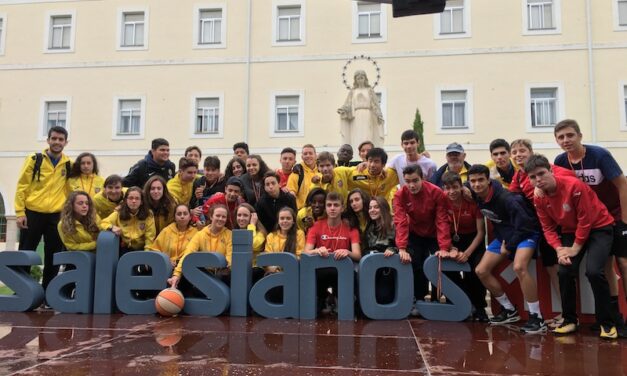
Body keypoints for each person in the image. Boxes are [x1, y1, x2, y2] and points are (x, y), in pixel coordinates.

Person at [525, 154, 620, 339]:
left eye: (541, 174)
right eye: (533, 177)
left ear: (551, 171)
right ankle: (570, 320)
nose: (538, 180)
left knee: (594, 272)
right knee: (565, 271)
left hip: (599, 227)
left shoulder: (573, 186)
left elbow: (586, 220)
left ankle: (607, 323)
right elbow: (548, 227)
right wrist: (559, 249)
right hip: (571, 230)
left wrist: (575, 248)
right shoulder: (539, 197)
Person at [553, 119, 627, 326]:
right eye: (561, 137)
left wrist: (624, 221)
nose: (566, 140)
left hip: (612, 216)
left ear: (580, 136)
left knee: (620, 264)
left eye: (570, 135)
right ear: (557, 141)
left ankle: (618, 316)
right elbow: (555, 187)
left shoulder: (599, 155)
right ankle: (605, 317)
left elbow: (622, 184)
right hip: (585, 221)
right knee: (598, 267)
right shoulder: (560, 161)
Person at [467, 164, 545, 334]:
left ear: (489, 180)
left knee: (519, 267)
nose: (477, 184)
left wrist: (509, 247)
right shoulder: (477, 196)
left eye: (481, 180)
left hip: (526, 233)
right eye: (473, 181)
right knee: (481, 270)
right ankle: (509, 310)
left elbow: (526, 225)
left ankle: (537, 317)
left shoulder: (508, 198)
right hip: (504, 237)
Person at [509, 139, 573, 325]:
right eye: (514, 152)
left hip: (558, 224)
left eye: (522, 150)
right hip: (541, 227)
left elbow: (570, 178)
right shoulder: (519, 175)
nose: (518, 154)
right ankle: (564, 313)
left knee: (560, 270)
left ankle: (568, 316)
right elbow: (510, 196)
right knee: (552, 269)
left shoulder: (548, 169)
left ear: (531, 152)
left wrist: (541, 184)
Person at [15, 125, 71, 290]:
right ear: (48, 140)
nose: (57, 142)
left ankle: (49, 293)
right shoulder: (34, 159)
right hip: (32, 213)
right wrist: (19, 212)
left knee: (53, 256)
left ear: (65, 142)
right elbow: (22, 186)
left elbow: (70, 191)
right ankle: (21, 290)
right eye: (54, 138)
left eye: (60, 139)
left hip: (56, 215)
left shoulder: (68, 164)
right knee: (26, 252)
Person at [393, 164, 452, 308]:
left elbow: (442, 220)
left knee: (438, 263)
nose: (411, 185)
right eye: (408, 181)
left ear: (422, 178)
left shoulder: (436, 192)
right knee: (416, 264)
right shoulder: (400, 195)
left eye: (415, 180)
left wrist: (444, 247)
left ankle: (437, 298)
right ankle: (418, 299)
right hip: (415, 233)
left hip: (434, 233)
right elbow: (400, 221)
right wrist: (401, 247)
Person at [440, 172, 488, 321]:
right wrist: (452, 247)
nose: (451, 191)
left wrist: (467, 253)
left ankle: (480, 308)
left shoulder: (472, 202)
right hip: (452, 241)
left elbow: (481, 233)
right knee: (446, 269)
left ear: (461, 187)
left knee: (475, 270)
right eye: (447, 188)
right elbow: (442, 229)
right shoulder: (442, 203)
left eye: (455, 187)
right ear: (443, 188)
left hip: (473, 241)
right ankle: (460, 302)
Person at [304, 192, 362, 313]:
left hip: (342, 270)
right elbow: (306, 252)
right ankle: (323, 299)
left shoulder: (351, 228)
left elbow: (357, 255)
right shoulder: (316, 226)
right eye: (329, 205)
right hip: (321, 270)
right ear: (325, 207)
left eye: (336, 205)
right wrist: (317, 250)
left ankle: (343, 301)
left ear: (342, 208)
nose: (332, 208)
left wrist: (347, 252)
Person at [169, 205, 233, 288]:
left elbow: (229, 259)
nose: (220, 219)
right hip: (204, 275)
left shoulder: (229, 235)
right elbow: (188, 254)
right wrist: (176, 275)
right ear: (211, 216)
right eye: (217, 215)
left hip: (221, 276)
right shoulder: (200, 235)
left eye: (223, 217)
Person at [264, 207, 305, 303]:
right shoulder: (271, 236)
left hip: (293, 271)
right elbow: (267, 256)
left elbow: (300, 255)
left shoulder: (299, 234)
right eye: (282, 218)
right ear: (278, 221)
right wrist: (272, 268)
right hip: (274, 272)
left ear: (293, 221)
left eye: (288, 218)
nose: (285, 221)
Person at [101, 186, 156, 255]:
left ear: (141, 201)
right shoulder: (119, 213)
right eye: (130, 198)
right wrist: (112, 227)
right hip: (124, 248)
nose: (134, 201)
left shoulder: (148, 215)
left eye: (137, 198)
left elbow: (150, 238)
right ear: (126, 200)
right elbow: (103, 223)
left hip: (142, 249)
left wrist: (146, 255)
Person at [364, 196, 398, 304]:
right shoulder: (369, 227)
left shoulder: (394, 225)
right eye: (370, 207)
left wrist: (393, 250)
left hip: (388, 269)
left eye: (376, 207)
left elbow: (405, 247)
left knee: (383, 298)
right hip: (371, 268)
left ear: (383, 208)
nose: (372, 210)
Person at [338, 70, 385, 147]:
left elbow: (375, 105)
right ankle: (356, 154)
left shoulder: (369, 90)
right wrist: (343, 110)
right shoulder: (353, 91)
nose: (360, 80)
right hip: (356, 117)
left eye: (362, 78)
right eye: (358, 78)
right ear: (355, 80)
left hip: (367, 115)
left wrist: (379, 115)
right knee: (356, 135)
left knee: (367, 135)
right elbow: (348, 104)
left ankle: (367, 152)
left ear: (365, 79)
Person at [148, 204, 198, 272]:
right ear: (174, 217)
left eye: (185, 214)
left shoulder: (196, 233)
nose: (182, 216)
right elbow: (154, 251)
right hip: (166, 268)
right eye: (179, 214)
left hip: (187, 269)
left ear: (190, 217)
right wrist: (167, 261)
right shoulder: (166, 231)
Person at [233, 203, 267, 281]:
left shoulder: (260, 233)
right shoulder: (234, 232)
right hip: (239, 270)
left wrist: (252, 225)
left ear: (252, 217)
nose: (241, 218)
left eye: (245, 215)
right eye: (239, 215)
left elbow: (252, 245)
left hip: (255, 271)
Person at [287, 144, 319, 209]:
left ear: (316, 156)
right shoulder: (297, 172)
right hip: (302, 212)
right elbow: (291, 193)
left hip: (320, 211)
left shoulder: (321, 170)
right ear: (302, 157)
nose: (308, 156)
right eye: (305, 154)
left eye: (310, 153)